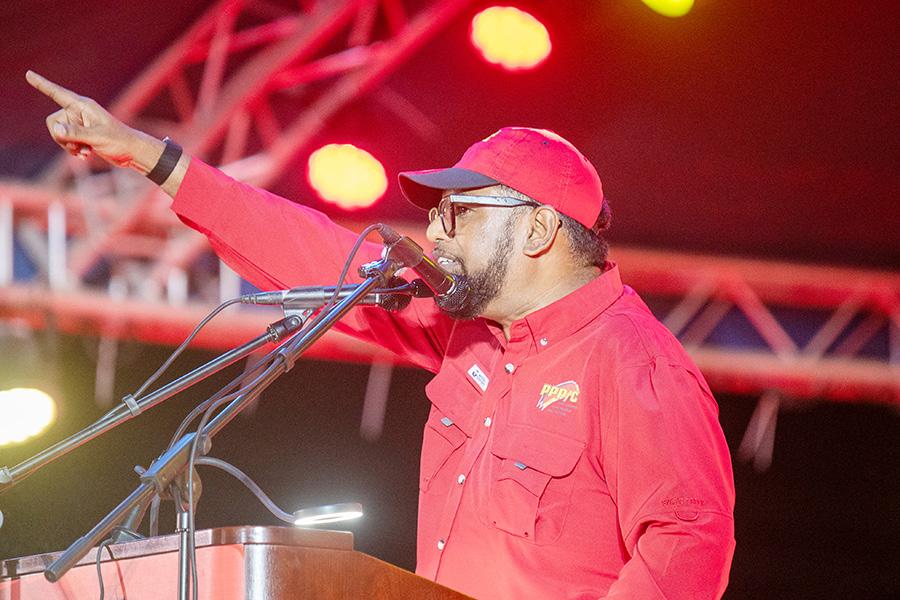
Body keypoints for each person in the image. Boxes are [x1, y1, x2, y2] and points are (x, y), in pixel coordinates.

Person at [27, 70, 736, 599]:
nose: (434, 230)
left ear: (538, 229)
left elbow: (687, 547)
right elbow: (311, 252)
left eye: (458, 212)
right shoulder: (469, 332)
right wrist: (150, 157)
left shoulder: (636, 363)